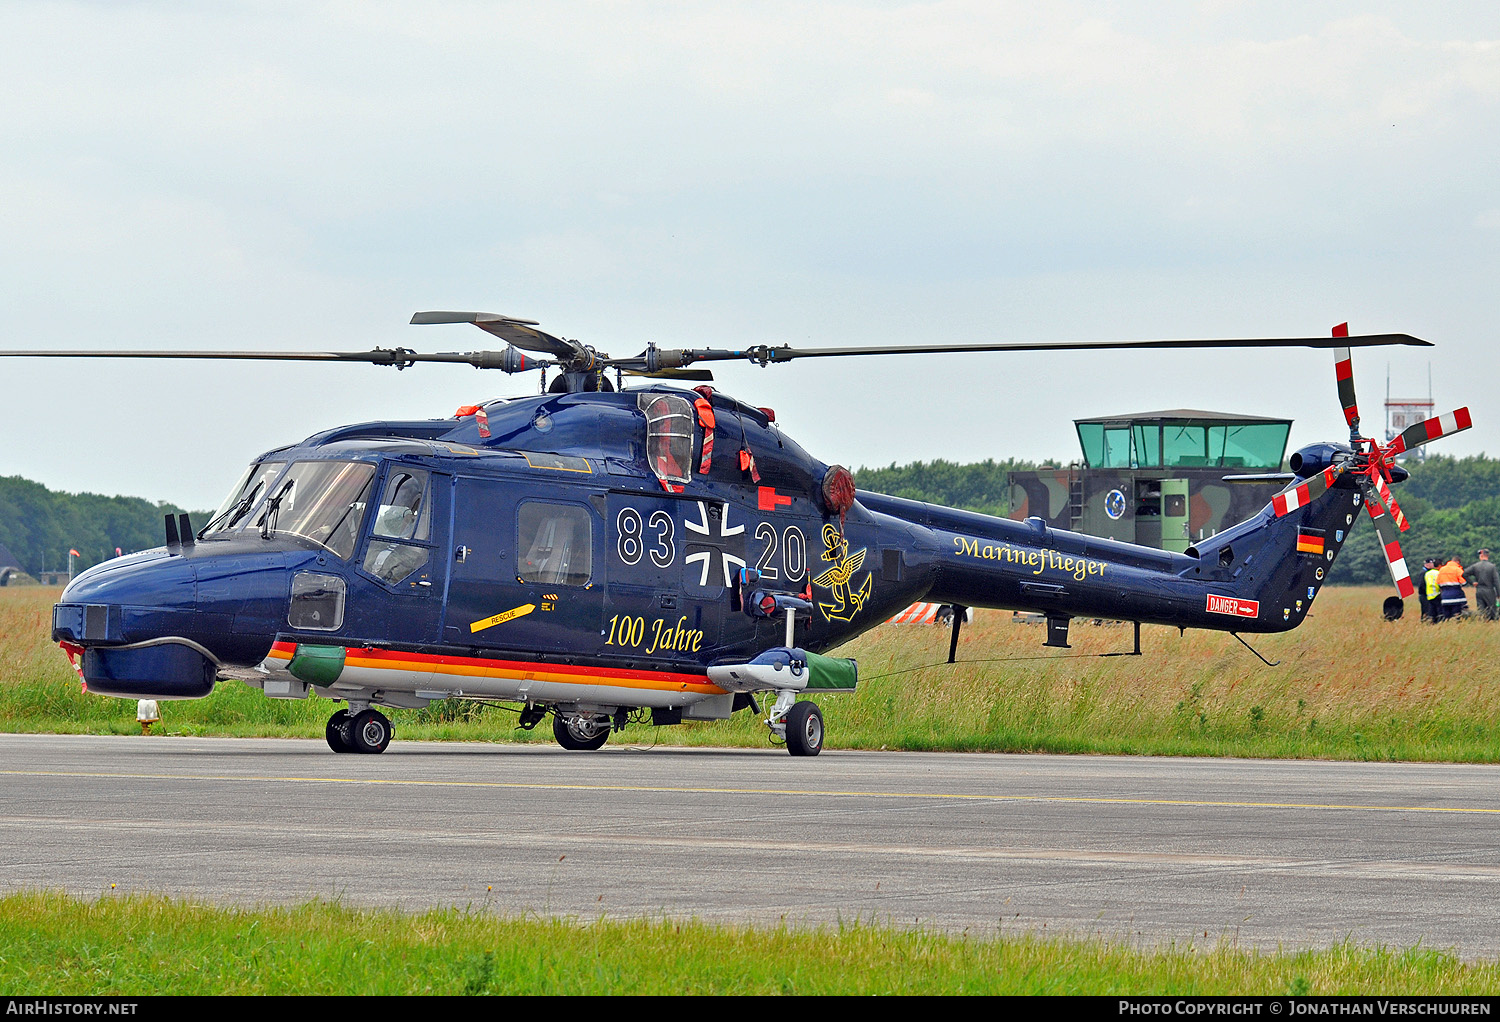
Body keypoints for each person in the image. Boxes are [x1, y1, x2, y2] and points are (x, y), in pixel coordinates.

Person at [1464, 549, 1499, 622]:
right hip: (1489, 590)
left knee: (1481, 611)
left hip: (1479, 590)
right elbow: (1496, 581)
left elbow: (1464, 574)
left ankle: (1482, 623)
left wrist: (1472, 582)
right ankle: (1494, 624)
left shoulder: (1475, 566)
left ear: (1481, 556)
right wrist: (1499, 593)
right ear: (1487, 556)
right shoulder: (1492, 567)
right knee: (1492, 610)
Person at [1423, 558, 1442, 623]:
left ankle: (1431, 623)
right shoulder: (1438, 573)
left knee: (1432, 611)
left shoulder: (1427, 573)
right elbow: (1439, 583)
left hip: (1429, 595)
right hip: (1437, 594)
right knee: (1439, 612)